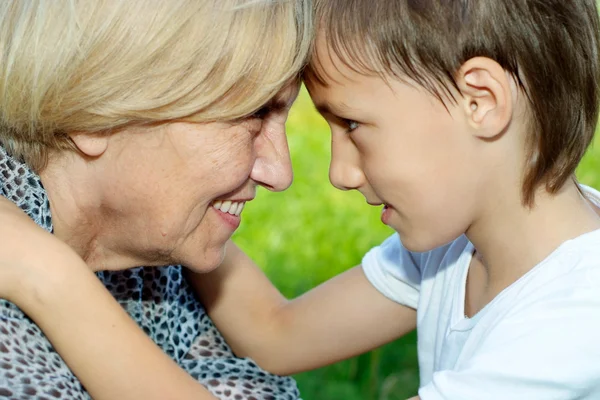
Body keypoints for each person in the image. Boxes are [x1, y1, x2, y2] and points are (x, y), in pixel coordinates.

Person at [3, 0, 600, 399]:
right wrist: (176, 214)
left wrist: (51, 280)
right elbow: (275, 332)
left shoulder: (574, 321)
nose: (337, 172)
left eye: (354, 126)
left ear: (480, 102)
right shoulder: (455, 252)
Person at [0, 0, 312, 399]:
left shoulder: (146, 263)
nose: (280, 173)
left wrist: (54, 278)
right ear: (97, 112)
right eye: (253, 113)